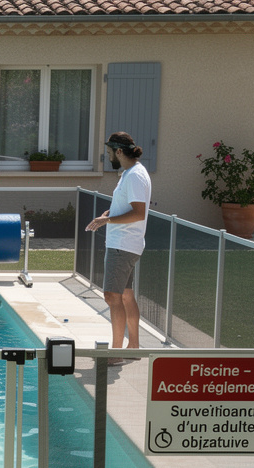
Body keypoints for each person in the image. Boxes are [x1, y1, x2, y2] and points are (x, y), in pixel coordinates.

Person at [84, 131, 151, 365]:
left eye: (110, 152)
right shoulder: (130, 174)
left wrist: (107, 221)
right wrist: (110, 214)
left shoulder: (134, 176)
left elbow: (138, 213)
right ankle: (133, 347)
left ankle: (116, 352)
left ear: (119, 152)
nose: (108, 156)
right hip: (126, 244)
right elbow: (129, 207)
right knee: (125, 297)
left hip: (122, 245)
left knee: (112, 297)